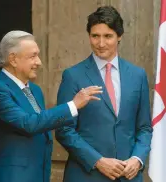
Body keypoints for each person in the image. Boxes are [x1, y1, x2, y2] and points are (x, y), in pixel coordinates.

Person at [0, 30, 102, 182]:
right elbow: (28, 123)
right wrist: (73, 105)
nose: (38, 62)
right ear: (13, 59)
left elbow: (43, 126)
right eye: (32, 56)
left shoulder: (35, 90)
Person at [56, 6, 153, 182]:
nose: (101, 43)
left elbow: (144, 127)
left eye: (108, 36)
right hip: (86, 175)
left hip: (128, 176)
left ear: (119, 36)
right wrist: (98, 161)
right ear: (89, 36)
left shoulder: (138, 75)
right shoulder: (72, 75)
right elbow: (64, 130)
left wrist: (137, 159)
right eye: (95, 36)